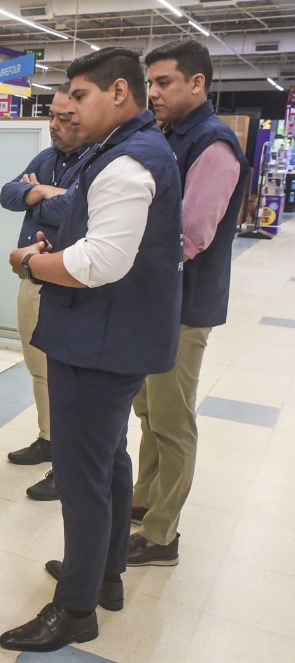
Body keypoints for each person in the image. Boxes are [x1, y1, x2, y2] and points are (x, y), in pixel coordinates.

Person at [1, 48, 183, 652]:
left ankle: (75, 609)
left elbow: (98, 263)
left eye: (79, 95)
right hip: (116, 336)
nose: (68, 108)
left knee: (82, 480)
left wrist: (31, 262)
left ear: (118, 93)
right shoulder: (127, 151)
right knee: (108, 462)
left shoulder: (128, 162)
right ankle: (104, 575)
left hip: (99, 341)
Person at [129, 39, 248, 567]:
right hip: (157, 302)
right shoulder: (172, 135)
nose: (152, 92)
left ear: (197, 83)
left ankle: (161, 536)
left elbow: (191, 234)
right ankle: (144, 500)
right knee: (150, 410)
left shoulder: (213, 144)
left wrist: (121, 251)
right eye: (150, 82)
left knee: (173, 421)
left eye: (163, 82)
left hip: (183, 306)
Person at [0, 81, 95, 502]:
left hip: (69, 280)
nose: (54, 126)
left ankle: (67, 466)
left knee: (68, 378)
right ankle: (49, 438)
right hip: (33, 276)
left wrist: (36, 197)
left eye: (65, 119)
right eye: (51, 117)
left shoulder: (98, 159)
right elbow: (8, 194)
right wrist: (39, 191)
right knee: (38, 367)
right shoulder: (48, 156)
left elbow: (80, 207)